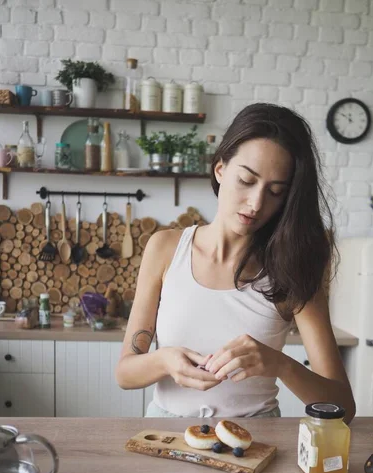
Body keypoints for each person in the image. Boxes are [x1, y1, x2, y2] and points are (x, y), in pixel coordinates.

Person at [115, 103, 356, 422]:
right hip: (165, 433)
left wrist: (281, 365)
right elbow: (125, 374)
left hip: (257, 441)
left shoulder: (292, 269)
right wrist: (165, 361)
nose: (256, 203)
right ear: (220, 169)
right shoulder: (165, 248)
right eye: (246, 180)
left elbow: (344, 407)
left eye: (275, 191)